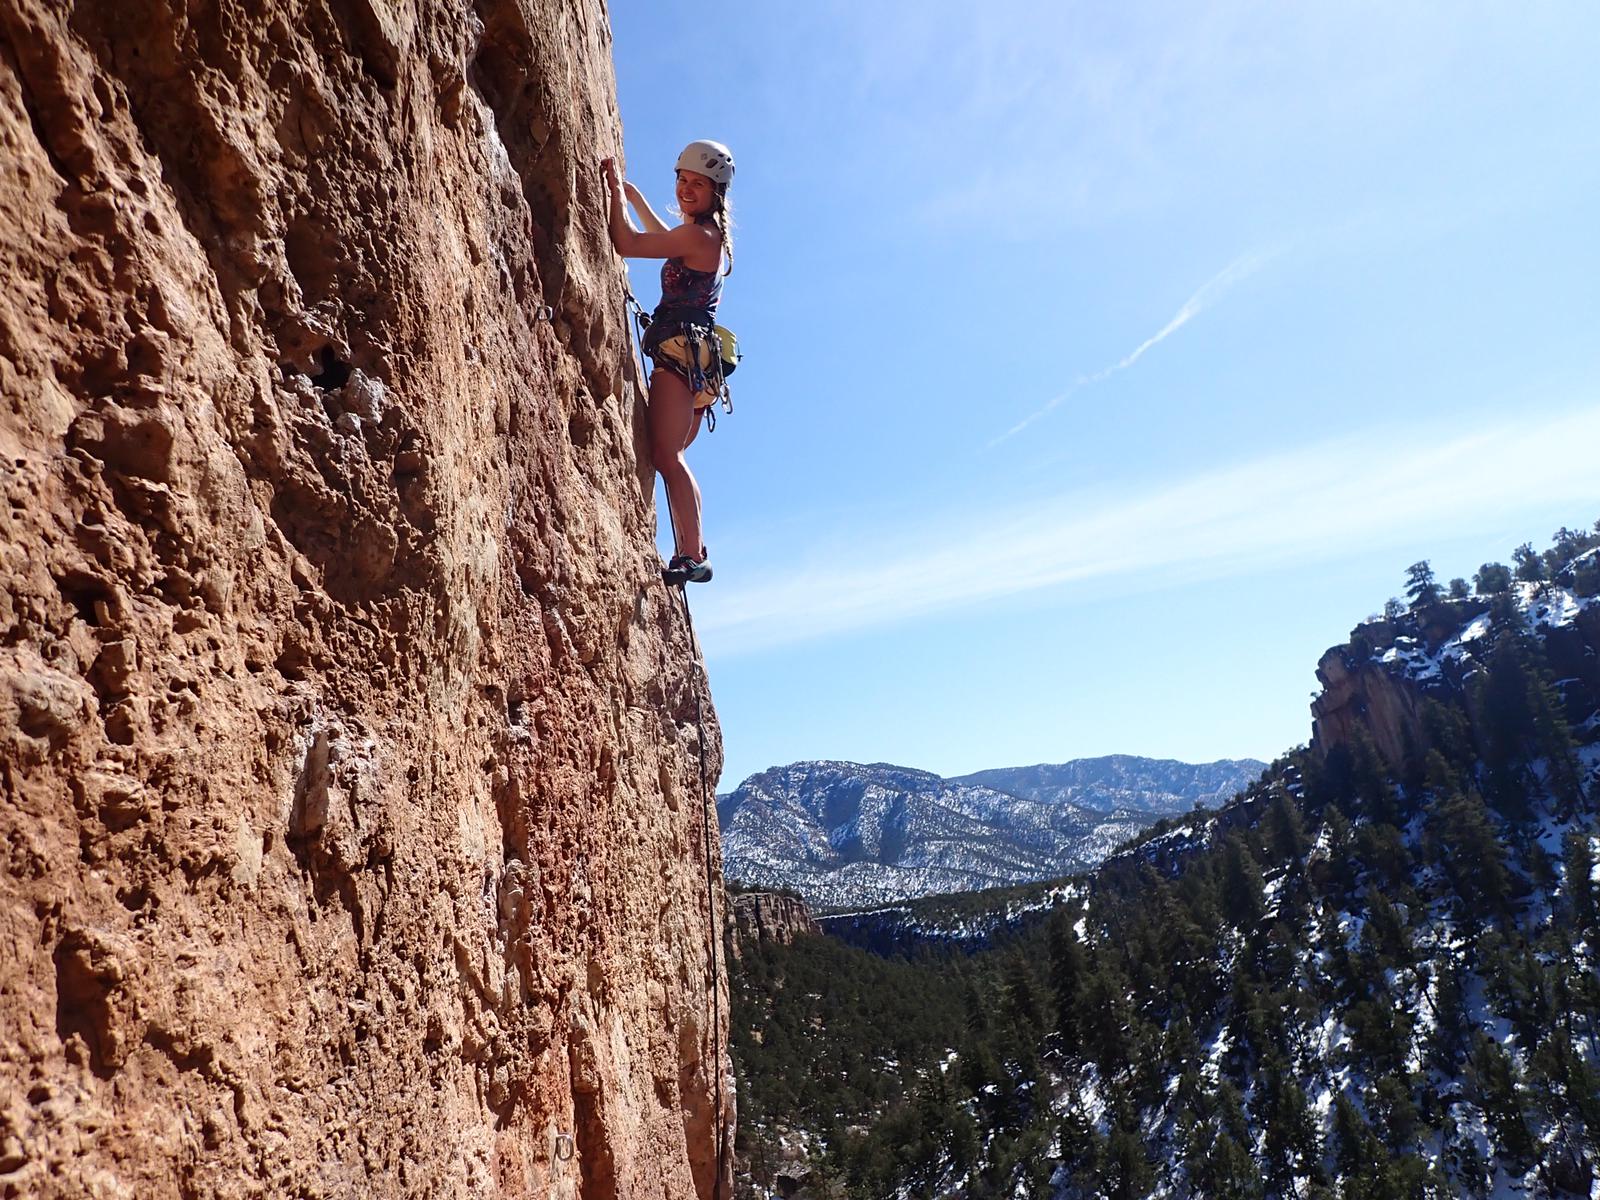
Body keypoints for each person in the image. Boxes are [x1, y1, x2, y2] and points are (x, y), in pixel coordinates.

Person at [602, 140, 735, 585]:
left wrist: (615, 199)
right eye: (681, 180)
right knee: (670, 457)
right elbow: (666, 241)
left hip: (681, 358)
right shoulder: (702, 236)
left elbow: (627, 242)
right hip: (697, 363)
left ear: (716, 191)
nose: (686, 189)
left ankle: (694, 555)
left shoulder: (700, 236)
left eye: (697, 183)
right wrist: (636, 197)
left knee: (666, 455)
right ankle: (694, 550)